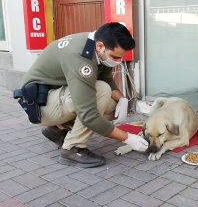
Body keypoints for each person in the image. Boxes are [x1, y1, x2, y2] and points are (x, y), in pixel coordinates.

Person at [18, 22, 148, 168]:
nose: (118, 62)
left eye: (121, 58)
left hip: (52, 97)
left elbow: (106, 78)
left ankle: (57, 129)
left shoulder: (96, 45)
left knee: (112, 103)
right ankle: (72, 149)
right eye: (115, 57)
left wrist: (122, 100)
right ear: (100, 46)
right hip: (37, 105)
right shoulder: (81, 59)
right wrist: (127, 138)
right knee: (101, 91)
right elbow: (88, 114)